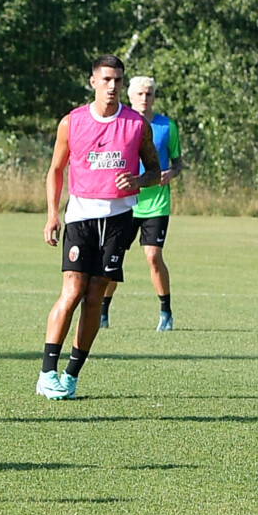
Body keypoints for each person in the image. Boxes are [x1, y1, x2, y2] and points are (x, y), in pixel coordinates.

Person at [37, 55, 163, 399]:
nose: (112, 86)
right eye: (106, 79)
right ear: (93, 81)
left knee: (95, 298)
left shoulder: (137, 125)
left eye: (118, 80)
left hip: (120, 219)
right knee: (73, 292)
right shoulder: (72, 122)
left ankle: (71, 375)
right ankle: (47, 372)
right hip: (80, 216)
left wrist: (138, 179)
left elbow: (154, 171)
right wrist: (52, 214)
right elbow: (55, 170)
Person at [100, 73, 180, 332]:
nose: (145, 99)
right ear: (130, 96)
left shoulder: (167, 126)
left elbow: (178, 162)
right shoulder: (122, 123)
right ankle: (102, 312)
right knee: (114, 257)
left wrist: (171, 173)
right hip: (126, 203)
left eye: (150, 94)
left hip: (156, 203)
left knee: (153, 255)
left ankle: (165, 312)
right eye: (140, 94)